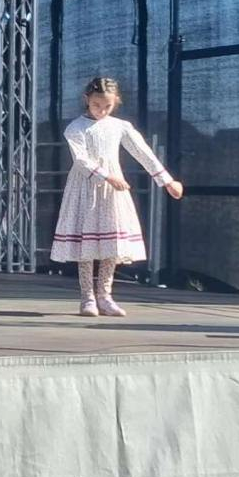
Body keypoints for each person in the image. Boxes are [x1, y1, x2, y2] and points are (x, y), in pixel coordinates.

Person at [50, 77, 184, 317]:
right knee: (86, 243)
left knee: (111, 242)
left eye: (107, 106)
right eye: (96, 105)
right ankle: (87, 297)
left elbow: (142, 152)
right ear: (87, 100)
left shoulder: (119, 126)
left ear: (116, 103)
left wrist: (166, 180)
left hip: (112, 191)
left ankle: (105, 296)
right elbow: (80, 159)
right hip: (86, 187)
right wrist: (107, 176)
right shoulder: (76, 128)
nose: (101, 110)